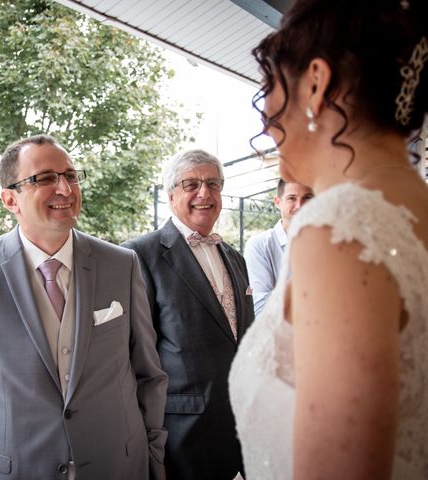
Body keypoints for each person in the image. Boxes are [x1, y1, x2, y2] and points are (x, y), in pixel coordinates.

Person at [228, 0, 428, 479]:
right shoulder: (414, 207)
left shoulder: (340, 230)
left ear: (315, 83)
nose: (266, 120)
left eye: (270, 87)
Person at [0, 134, 168, 480]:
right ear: (10, 199)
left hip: (120, 467)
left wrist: (154, 459)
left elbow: (149, 374)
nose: (65, 189)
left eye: (70, 175)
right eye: (45, 178)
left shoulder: (121, 264)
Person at [123, 149, 255, 479]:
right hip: (180, 433)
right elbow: (134, 356)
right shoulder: (140, 255)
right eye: (191, 184)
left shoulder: (234, 256)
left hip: (237, 426)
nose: (204, 193)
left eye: (213, 184)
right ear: (170, 196)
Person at [244, 179, 314, 314]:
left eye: (308, 198)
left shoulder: (329, 245)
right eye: (292, 198)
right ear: (277, 202)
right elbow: (261, 308)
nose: (300, 205)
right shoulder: (259, 246)